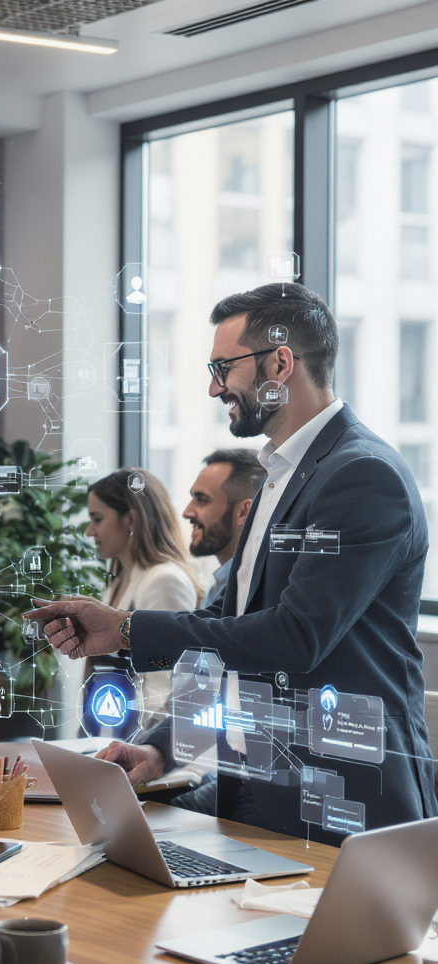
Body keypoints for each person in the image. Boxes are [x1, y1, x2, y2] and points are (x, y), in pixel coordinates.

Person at [27, 283, 438, 844]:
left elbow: (293, 638)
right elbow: (227, 630)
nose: (214, 386)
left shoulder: (363, 476)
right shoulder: (278, 476)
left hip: (344, 800)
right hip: (257, 785)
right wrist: (160, 748)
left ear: (280, 364)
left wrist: (126, 629)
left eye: (224, 367)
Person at [84, 468, 201, 720]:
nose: (89, 531)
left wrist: (146, 743)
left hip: (141, 739)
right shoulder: (119, 582)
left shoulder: (162, 580)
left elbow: (164, 686)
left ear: (131, 520)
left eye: (97, 519)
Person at [183, 449, 265, 608]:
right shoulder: (218, 587)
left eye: (202, 500)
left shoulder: (253, 593)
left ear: (243, 512)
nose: (186, 512)